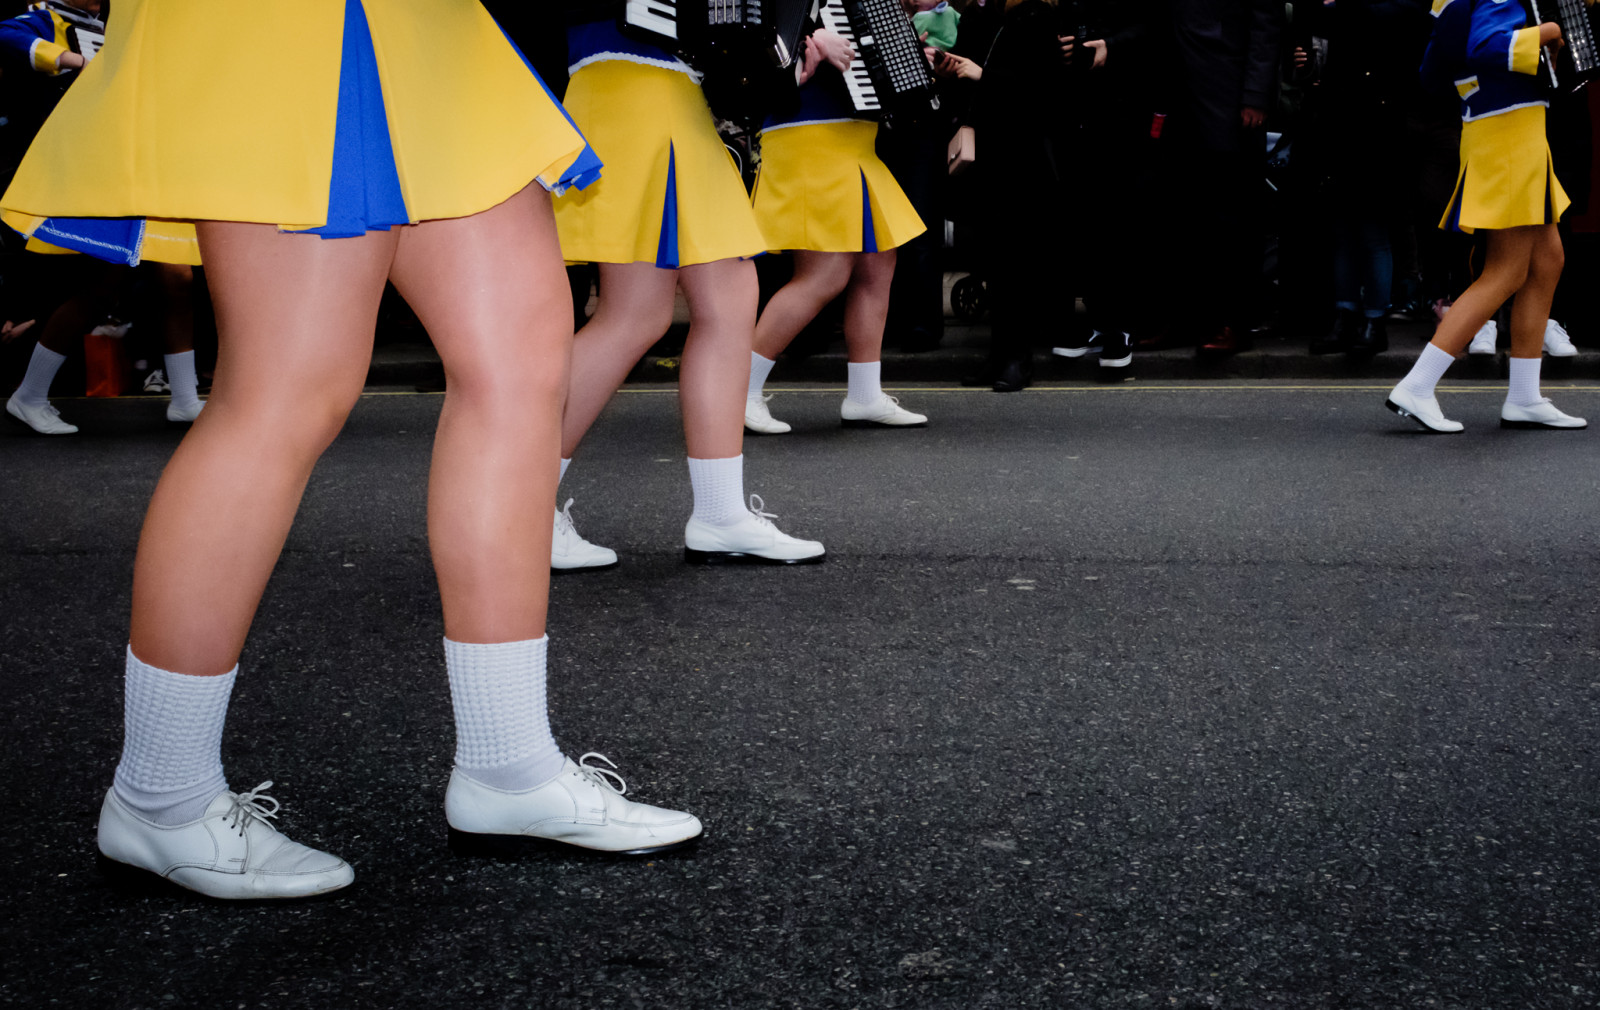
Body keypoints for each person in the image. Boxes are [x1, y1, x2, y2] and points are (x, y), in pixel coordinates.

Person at [2, 0, 701, 900]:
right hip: (298, 23)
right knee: (286, 391)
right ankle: (160, 796)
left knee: (522, 365)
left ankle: (509, 766)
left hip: (428, 30)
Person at [550, 15, 825, 567]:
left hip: (655, 91)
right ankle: (521, 503)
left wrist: (773, 62)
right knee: (650, 313)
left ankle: (720, 515)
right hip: (640, 87)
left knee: (701, 303)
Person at [1385, 0, 1586, 431]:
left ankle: (1525, 397)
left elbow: (1435, 70)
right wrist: (1548, 31)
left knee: (1546, 261)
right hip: (1510, 135)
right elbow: (1487, 46)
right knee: (1506, 271)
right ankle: (1416, 387)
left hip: (1511, 131)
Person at [745, 25, 930, 433]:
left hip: (852, 136)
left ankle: (865, 395)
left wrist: (905, 66)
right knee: (823, 274)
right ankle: (740, 391)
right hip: (808, 129)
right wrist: (810, 37)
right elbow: (758, 25)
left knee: (876, 263)